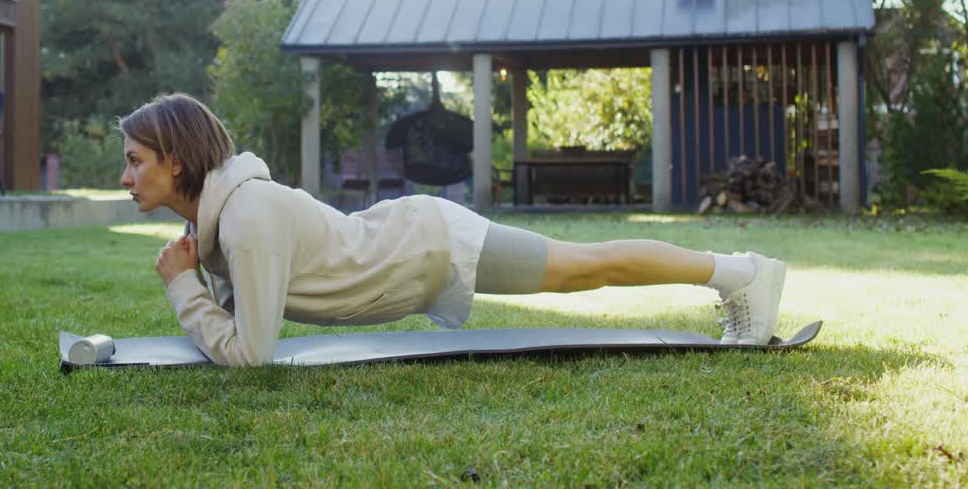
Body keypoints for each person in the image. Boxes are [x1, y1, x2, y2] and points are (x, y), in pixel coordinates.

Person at [120, 92, 787, 367]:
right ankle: (737, 274)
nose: (126, 177)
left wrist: (184, 290)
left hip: (430, 246)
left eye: (134, 161)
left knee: (588, 267)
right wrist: (197, 282)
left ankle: (743, 274)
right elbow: (242, 329)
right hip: (414, 243)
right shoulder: (225, 220)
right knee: (588, 266)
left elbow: (251, 356)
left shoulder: (247, 218)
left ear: (175, 161)